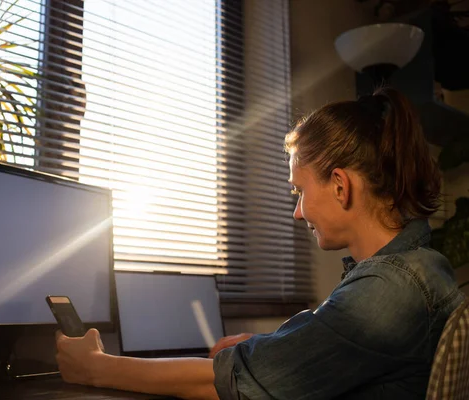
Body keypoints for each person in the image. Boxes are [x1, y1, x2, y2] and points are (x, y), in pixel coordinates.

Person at [54, 87, 465, 399]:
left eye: (299, 191)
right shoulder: (423, 267)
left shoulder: (387, 292)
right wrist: (265, 345)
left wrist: (95, 368)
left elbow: (229, 382)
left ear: (340, 186)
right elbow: (336, 342)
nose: (298, 212)